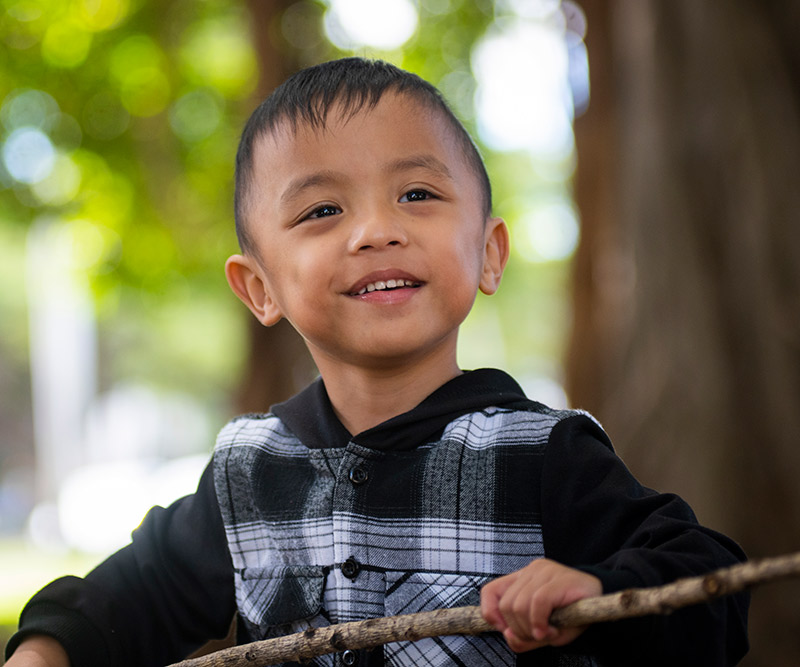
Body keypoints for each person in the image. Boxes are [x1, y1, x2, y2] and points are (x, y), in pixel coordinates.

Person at [5, 58, 748, 667]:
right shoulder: (248, 475)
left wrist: (598, 587)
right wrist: (45, 650)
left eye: (417, 193)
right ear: (259, 287)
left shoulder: (542, 457)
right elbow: (125, 599)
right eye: (323, 210)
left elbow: (706, 587)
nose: (377, 229)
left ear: (488, 253)